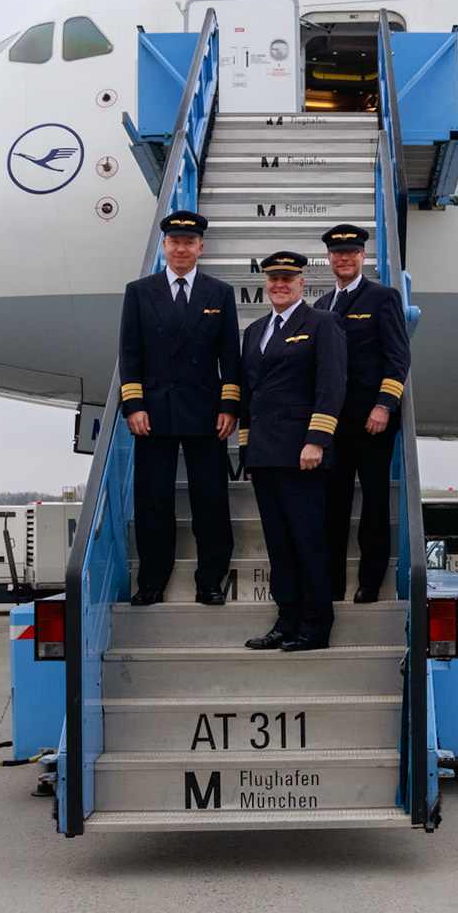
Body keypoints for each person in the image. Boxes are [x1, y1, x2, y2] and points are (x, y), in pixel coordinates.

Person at [117, 210, 240, 606]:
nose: (181, 249)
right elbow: (129, 354)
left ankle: (210, 581)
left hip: (206, 412)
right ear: (164, 246)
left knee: (211, 499)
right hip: (153, 412)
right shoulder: (139, 291)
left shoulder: (219, 293)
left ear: (201, 247)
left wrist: (229, 405)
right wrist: (133, 404)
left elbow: (230, 356)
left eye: (189, 243)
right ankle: (152, 581)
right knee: (153, 501)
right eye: (175, 242)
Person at [238, 251, 347, 651]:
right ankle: (286, 621)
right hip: (266, 454)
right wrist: (247, 451)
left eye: (287, 278)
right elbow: (249, 394)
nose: (280, 285)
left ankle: (315, 625)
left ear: (302, 283)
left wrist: (317, 440)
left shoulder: (322, 323)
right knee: (279, 544)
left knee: (308, 541)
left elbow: (331, 385)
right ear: (266, 284)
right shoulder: (255, 331)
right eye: (273, 279)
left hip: (303, 452)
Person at [313, 225, 410, 603]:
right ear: (329, 259)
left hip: (372, 421)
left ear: (362, 257)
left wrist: (384, 405)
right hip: (332, 424)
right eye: (338, 254)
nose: (344, 259)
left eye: (351, 253)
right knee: (333, 506)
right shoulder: (322, 306)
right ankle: (333, 584)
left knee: (373, 503)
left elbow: (398, 357)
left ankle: (370, 582)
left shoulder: (383, 298)